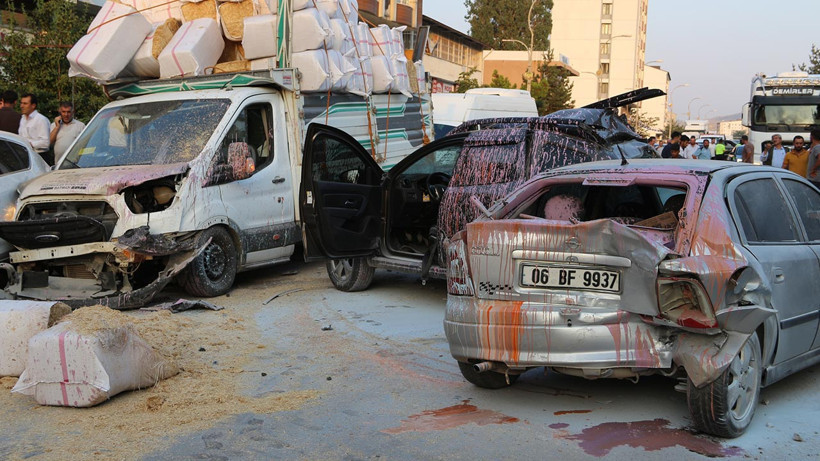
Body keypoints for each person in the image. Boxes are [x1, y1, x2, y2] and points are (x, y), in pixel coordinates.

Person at [18, 93, 51, 164]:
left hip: (39, 156)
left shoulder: (41, 120)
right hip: (25, 156)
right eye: (21, 103)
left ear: (33, 105)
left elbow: (45, 143)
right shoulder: (22, 119)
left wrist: (29, 144)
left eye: (25, 103)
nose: (21, 106)